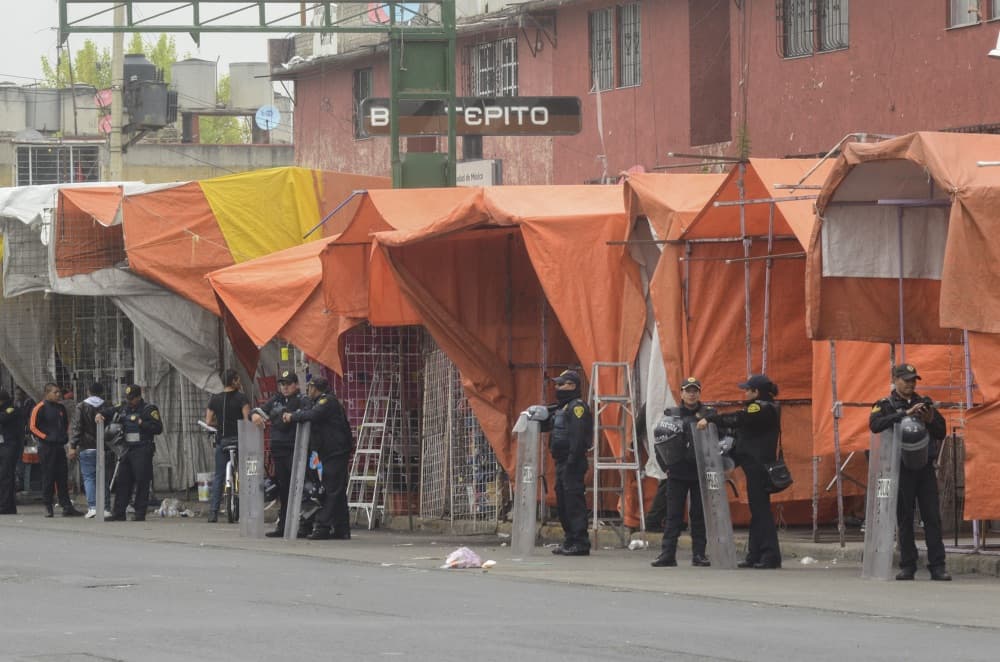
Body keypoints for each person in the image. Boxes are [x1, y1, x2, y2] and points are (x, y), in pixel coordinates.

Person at [869, 363, 951, 581]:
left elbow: (941, 431)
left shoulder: (924, 403)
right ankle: (908, 565)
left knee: (931, 516)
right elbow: (875, 424)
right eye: (906, 380)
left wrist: (929, 419)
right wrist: (904, 413)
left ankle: (937, 566)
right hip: (900, 468)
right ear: (895, 380)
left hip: (924, 468)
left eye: (913, 380)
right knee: (904, 517)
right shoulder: (884, 404)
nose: (910, 384)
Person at [697, 373, 781, 569]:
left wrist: (712, 419)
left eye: (747, 390)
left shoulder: (759, 407)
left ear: (756, 391)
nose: (744, 393)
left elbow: (738, 418)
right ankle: (755, 554)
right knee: (757, 511)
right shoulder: (767, 407)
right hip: (757, 465)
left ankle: (770, 555)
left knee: (761, 512)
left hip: (758, 465)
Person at [651, 377, 715, 568]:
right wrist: (666, 468)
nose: (692, 394)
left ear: (699, 393)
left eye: (695, 390)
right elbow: (659, 442)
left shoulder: (709, 414)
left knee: (698, 515)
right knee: (673, 516)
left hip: (699, 472)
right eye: (688, 390)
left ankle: (699, 555)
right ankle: (668, 554)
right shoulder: (672, 415)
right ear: (681, 393)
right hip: (677, 473)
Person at [283, 377, 353, 540]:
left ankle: (323, 526)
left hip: (336, 450)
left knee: (330, 489)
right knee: (338, 490)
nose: (308, 391)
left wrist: (292, 417)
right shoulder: (320, 401)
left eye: (309, 387)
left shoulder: (327, 401)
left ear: (315, 388)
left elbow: (314, 415)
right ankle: (341, 528)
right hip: (329, 451)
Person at [540, 369, 592, 557]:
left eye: (561, 384)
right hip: (562, 461)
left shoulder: (577, 407)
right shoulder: (562, 408)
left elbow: (578, 437)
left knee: (573, 502)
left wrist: (572, 460)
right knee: (563, 502)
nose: (557, 387)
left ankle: (580, 542)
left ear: (571, 385)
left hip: (573, 462)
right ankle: (570, 539)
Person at [252, 369, 305, 537]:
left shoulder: (301, 400)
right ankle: (283, 526)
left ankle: (303, 525)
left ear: (296, 385)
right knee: (283, 488)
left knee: (299, 488)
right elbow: (258, 411)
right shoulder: (276, 400)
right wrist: (255, 416)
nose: (285, 387)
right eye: (282, 384)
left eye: (288, 384)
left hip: (295, 449)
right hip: (279, 449)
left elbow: (306, 416)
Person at [98, 385, 163, 521]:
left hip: (142, 449)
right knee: (123, 480)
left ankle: (139, 513)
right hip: (127, 449)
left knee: (141, 481)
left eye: (132, 398)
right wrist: (100, 414)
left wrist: (141, 423)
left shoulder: (148, 409)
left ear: (139, 397)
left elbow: (158, 428)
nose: (130, 401)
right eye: (128, 398)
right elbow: (108, 411)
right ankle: (119, 513)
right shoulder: (124, 407)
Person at [29, 383, 83, 517]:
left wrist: (63, 436)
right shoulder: (39, 407)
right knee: (48, 476)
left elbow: (65, 423)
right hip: (46, 447)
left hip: (59, 446)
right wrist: (46, 437)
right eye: (55, 392)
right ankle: (48, 505)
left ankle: (66, 506)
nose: (58, 395)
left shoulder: (61, 408)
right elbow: (32, 427)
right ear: (47, 393)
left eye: (59, 392)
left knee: (62, 476)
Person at [205, 369, 251, 523]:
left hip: (222, 442)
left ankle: (213, 512)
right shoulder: (241, 398)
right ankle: (246, 509)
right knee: (243, 474)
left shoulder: (215, 398)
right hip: (238, 441)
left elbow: (209, 421)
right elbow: (247, 420)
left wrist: (221, 424)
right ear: (234, 381)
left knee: (219, 476)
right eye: (238, 379)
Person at [69, 383, 110, 518]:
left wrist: (73, 446)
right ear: (102, 392)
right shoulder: (107, 405)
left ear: (88, 391)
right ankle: (105, 508)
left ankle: (93, 507)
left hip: (87, 446)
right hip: (105, 446)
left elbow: (77, 427)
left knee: (89, 477)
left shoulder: (81, 406)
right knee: (103, 478)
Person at [0, 389, 24, 514]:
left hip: (9, 447)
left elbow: (3, 418)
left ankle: (6, 506)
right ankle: (7, 505)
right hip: (4, 446)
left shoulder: (11, 409)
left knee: (6, 477)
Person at [13, 386, 35, 492]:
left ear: (24, 394)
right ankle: (20, 482)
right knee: (19, 459)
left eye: (19, 394)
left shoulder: (29, 404)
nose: (17, 396)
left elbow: (29, 419)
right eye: (16, 394)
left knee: (24, 459)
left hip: (27, 435)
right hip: (18, 435)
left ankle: (24, 482)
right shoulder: (16, 404)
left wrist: (28, 432)